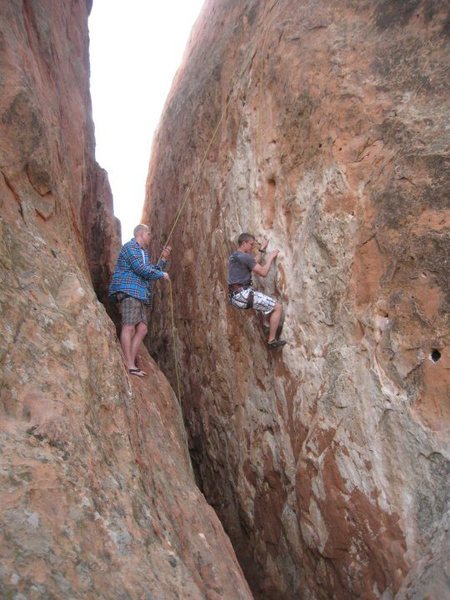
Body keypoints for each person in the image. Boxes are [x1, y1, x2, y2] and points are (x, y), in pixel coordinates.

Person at [109, 224, 171, 376]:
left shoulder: (144, 253)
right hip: (128, 290)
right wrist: (161, 275)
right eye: (149, 233)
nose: (151, 236)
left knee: (142, 329)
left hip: (141, 293)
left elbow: (151, 272)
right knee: (129, 327)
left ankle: (129, 360)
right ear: (140, 233)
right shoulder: (130, 247)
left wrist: (163, 259)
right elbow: (140, 269)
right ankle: (129, 364)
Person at [228, 232, 286, 349]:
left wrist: (262, 249)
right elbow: (263, 272)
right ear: (244, 243)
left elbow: (253, 262)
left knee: (262, 299)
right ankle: (272, 340)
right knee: (278, 307)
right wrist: (270, 257)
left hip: (235, 296)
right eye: (251, 244)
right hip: (243, 295)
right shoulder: (244, 257)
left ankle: (266, 324)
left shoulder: (235, 256)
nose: (251, 247)